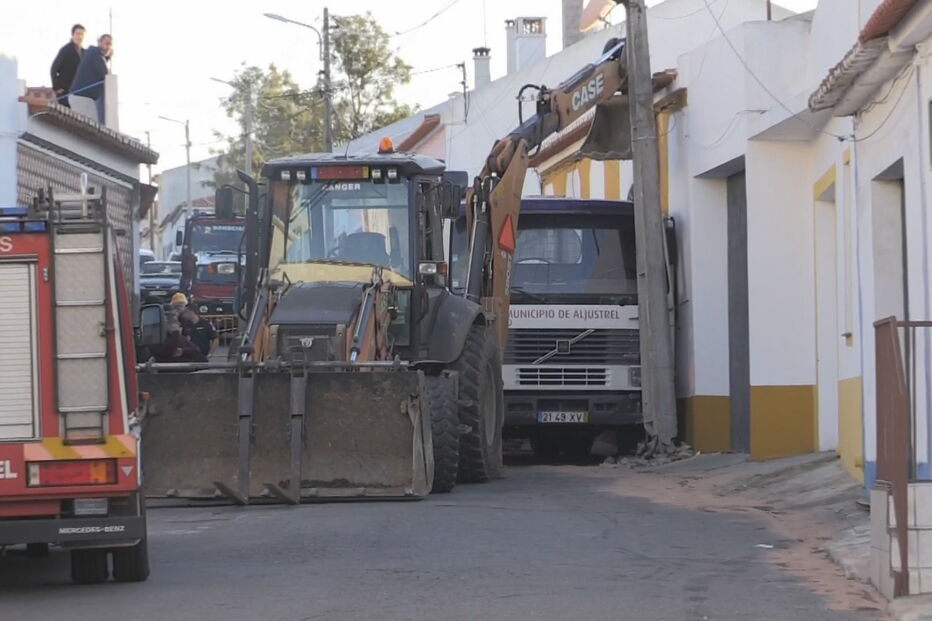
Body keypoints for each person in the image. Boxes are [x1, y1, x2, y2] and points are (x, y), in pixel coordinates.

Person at [69, 34, 113, 123]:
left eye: (110, 45)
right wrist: (107, 57)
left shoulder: (92, 53)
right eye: (106, 43)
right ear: (99, 43)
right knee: (92, 130)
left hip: (81, 97)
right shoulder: (95, 53)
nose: (108, 47)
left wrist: (106, 58)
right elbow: (104, 73)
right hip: (82, 98)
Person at [50, 24, 85, 108]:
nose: (79, 36)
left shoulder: (84, 52)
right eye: (77, 34)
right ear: (73, 35)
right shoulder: (66, 50)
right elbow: (54, 69)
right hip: (65, 91)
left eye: (82, 34)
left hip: (77, 92)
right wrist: (57, 88)